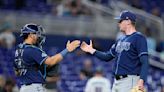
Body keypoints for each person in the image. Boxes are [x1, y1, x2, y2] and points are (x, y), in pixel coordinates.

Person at [80, 10, 149, 92]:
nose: (118, 23)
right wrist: (91, 50)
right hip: (117, 82)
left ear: (128, 21)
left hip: (130, 80)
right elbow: (107, 57)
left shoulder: (138, 38)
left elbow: (145, 61)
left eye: (120, 20)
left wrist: (141, 81)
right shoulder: (120, 40)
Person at [14, 23, 80, 92]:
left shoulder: (18, 50)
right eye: (36, 34)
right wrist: (67, 49)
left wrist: (36, 70)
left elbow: (17, 72)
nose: (38, 36)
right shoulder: (31, 49)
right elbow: (51, 62)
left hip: (24, 88)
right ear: (31, 35)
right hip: (34, 88)